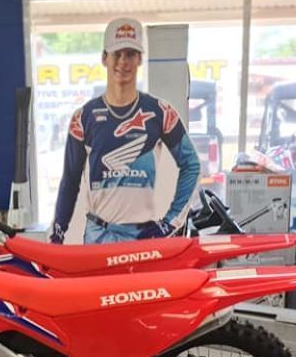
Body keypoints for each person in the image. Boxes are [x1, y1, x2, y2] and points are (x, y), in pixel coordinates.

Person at [50, 18, 201, 244]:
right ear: (104, 58)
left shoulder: (160, 112)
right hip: (98, 236)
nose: (123, 62)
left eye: (130, 54)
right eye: (117, 54)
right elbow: (70, 181)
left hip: (143, 238)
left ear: (140, 58)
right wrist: (58, 232)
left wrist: (171, 221)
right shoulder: (83, 117)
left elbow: (191, 165)